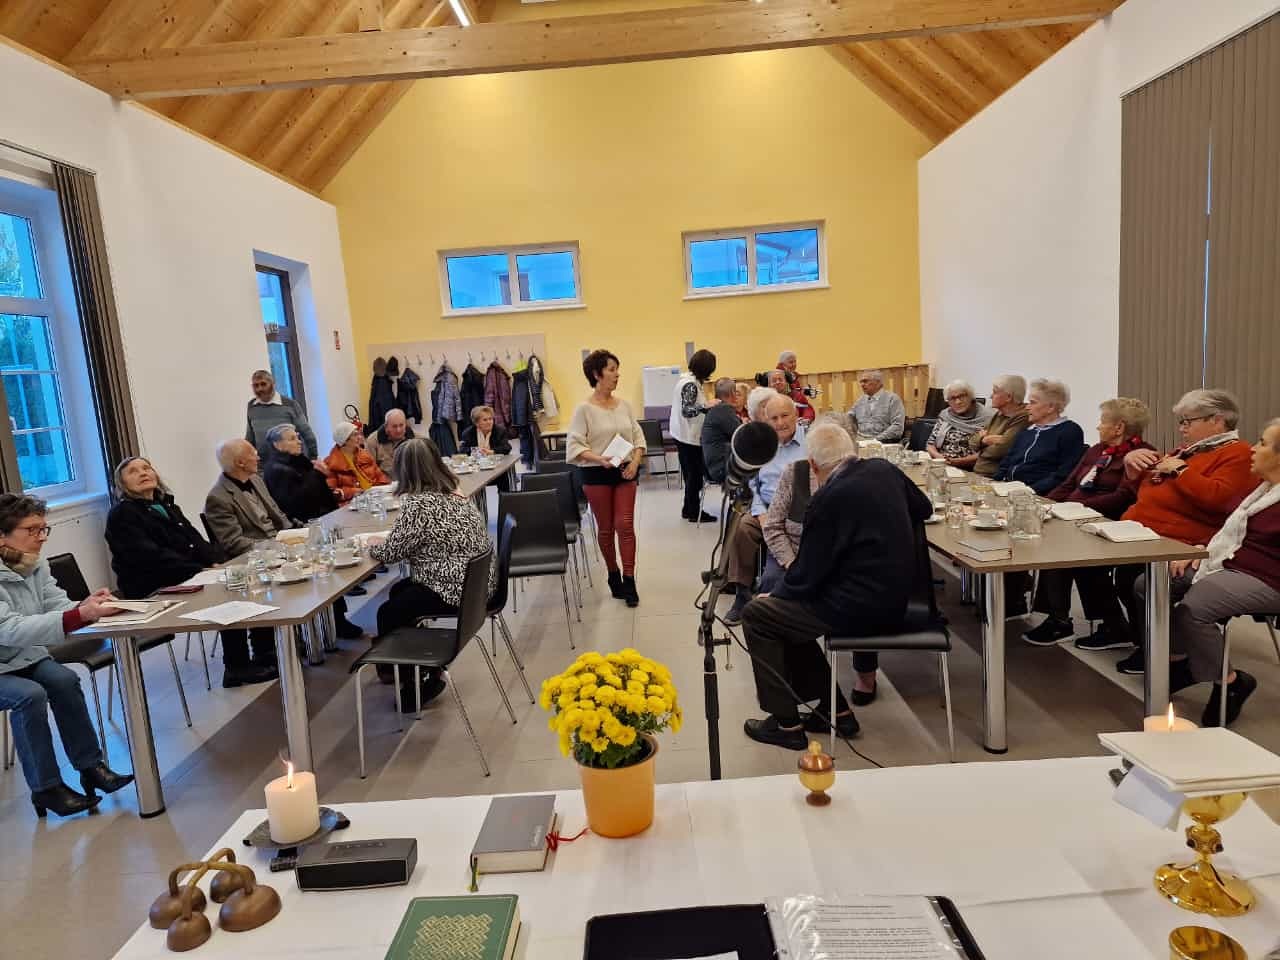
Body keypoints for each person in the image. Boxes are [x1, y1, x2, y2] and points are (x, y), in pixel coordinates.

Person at [741, 424, 934, 749]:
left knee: (758, 615)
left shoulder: (827, 499)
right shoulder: (884, 469)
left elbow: (807, 574)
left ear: (813, 465)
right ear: (852, 451)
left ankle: (787, 725)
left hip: (860, 606)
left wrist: (776, 595)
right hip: (901, 595)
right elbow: (924, 508)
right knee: (782, 617)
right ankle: (836, 711)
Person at [1086, 389, 1255, 672]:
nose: (1182, 428)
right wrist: (1133, 468)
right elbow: (1151, 486)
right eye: (1181, 422)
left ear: (1217, 420)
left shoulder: (1237, 453)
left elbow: (1219, 500)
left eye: (1188, 421)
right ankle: (1127, 632)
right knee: (1088, 561)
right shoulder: (1188, 451)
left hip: (1179, 539)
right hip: (1141, 531)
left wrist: (1181, 471)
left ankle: (1157, 649)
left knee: (1135, 579)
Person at [0, 494, 134, 818]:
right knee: (30, 695)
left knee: (65, 680)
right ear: (2, 535)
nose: (41, 537)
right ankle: (46, 788)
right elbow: (8, 629)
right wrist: (77, 616)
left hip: (23, 657)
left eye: (43, 529)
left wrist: (87, 606)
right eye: (32, 530)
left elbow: (57, 606)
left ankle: (91, 767)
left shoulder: (34, 564)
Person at [105, 456, 280, 689]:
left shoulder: (167, 505)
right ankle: (236, 667)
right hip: (152, 586)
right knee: (227, 592)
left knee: (244, 578)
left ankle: (265, 651)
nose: (143, 473)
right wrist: (198, 569)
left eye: (146, 468)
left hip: (185, 574)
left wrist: (217, 562)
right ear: (122, 484)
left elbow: (195, 541)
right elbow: (150, 556)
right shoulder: (122, 514)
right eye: (133, 471)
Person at [1151, 418, 1280, 726]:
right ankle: (1181, 661)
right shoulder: (1263, 490)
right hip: (1229, 563)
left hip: (1268, 578)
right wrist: (1201, 549)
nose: (1253, 449)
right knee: (1153, 583)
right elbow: (1231, 533)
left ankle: (1231, 683)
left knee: (1195, 607)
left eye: (1262, 443)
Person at [365, 439, 496, 711]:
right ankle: (406, 664)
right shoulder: (454, 493)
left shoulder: (418, 505)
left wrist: (371, 545)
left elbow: (391, 553)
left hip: (453, 587)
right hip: (476, 582)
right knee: (399, 592)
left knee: (388, 613)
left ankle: (418, 679)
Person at [205, 439, 364, 652]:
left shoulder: (256, 480)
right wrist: (276, 547)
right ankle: (273, 646)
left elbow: (278, 515)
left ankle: (336, 621)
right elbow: (234, 543)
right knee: (311, 562)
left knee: (324, 557)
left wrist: (299, 532)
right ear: (240, 462)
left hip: (279, 545)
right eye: (253, 453)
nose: (258, 457)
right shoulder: (218, 498)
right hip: (257, 558)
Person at [1020, 398, 1155, 646]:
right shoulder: (1096, 450)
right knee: (1049, 540)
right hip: (1074, 515)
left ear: (1119, 427)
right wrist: (1046, 505)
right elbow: (1069, 483)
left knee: (1068, 550)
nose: (1098, 426)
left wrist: (1080, 508)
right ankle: (1060, 618)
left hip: (1109, 521)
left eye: (1103, 421)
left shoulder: (1141, 455)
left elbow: (1124, 496)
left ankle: (1091, 623)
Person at [566, 350, 646, 607]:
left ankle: (629, 579)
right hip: (596, 473)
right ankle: (613, 573)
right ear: (596, 374)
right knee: (606, 528)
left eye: (617, 369)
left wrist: (635, 461)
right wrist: (599, 458)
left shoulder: (624, 406)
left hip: (625, 471)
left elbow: (638, 437)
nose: (617, 374)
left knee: (625, 524)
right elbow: (575, 446)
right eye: (611, 369)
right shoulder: (584, 409)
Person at [724, 394, 806, 626]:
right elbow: (752, 484)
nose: (780, 423)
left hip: (798, 511)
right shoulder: (761, 445)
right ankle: (742, 592)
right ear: (766, 420)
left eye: (784, 416)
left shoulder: (810, 443)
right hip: (766, 507)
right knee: (740, 528)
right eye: (774, 418)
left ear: (796, 415)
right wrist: (760, 512)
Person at [993, 378, 1086, 494]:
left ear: (1051, 407)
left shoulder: (1070, 431)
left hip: (1038, 494)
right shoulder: (1029, 430)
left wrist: (1030, 490)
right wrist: (996, 482)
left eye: (1033, 402)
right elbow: (1007, 460)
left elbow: (1063, 474)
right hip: (1008, 488)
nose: (1027, 407)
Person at [670, 349, 719, 524]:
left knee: (690, 475)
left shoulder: (688, 381)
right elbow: (687, 411)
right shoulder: (690, 384)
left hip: (683, 435)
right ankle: (694, 512)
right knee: (694, 476)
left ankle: (688, 509)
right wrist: (707, 406)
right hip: (687, 438)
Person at [263, 424, 340, 522]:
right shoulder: (276, 470)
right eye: (292, 439)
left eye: (297, 437)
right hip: (305, 523)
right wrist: (319, 473)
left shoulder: (298, 460)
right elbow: (299, 503)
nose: (299, 442)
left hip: (324, 517)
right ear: (277, 445)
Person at [245, 369, 318, 460]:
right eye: (256, 385)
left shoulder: (290, 405)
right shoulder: (252, 406)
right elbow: (250, 438)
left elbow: (307, 433)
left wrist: (313, 458)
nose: (260, 389)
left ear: (273, 383)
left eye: (263, 384)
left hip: (291, 462)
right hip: (264, 464)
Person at [966, 375, 1029, 475]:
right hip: (978, 472)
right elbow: (972, 442)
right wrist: (984, 440)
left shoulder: (1023, 417)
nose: (991, 396)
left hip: (995, 476)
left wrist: (981, 447)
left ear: (1008, 397)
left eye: (995, 392)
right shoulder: (999, 413)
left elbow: (1000, 450)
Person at [926, 380, 994, 461]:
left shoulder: (988, 417)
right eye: (952, 398)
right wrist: (940, 458)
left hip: (971, 466)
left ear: (971, 396)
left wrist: (960, 461)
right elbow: (930, 444)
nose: (958, 402)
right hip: (942, 462)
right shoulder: (945, 415)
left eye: (962, 396)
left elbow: (988, 452)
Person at [324, 421, 389, 503]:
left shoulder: (365, 455)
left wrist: (384, 488)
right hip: (352, 503)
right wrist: (352, 492)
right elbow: (332, 493)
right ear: (345, 440)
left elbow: (380, 476)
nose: (360, 437)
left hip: (375, 497)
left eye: (359, 434)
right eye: (355, 435)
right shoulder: (330, 463)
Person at [459, 405, 513, 491]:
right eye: (485, 420)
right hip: (476, 469)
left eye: (490, 419)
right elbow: (462, 450)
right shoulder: (468, 433)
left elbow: (507, 448)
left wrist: (492, 451)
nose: (489, 422)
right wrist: (476, 451)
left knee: (503, 476)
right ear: (476, 423)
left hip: (496, 468)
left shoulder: (500, 430)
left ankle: (505, 498)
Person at [702, 378, 743, 485]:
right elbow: (741, 436)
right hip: (721, 468)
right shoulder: (723, 410)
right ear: (732, 393)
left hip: (715, 466)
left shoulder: (716, 410)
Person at [850, 369, 906, 443]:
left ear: (878, 382)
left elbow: (897, 427)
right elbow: (848, 418)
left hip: (883, 442)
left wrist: (875, 440)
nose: (862, 384)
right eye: (861, 382)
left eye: (865, 381)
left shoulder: (892, 399)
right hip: (860, 442)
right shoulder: (860, 401)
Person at [366, 409, 414, 477]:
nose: (398, 430)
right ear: (386, 427)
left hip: (408, 481)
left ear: (406, 424)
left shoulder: (416, 440)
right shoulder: (372, 441)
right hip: (383, 482)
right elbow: (369, 471)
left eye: (401, 425)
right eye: (394, 426)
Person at [776, 351, 815, 422]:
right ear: (783, 364)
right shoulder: (779, 377)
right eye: (791, 362)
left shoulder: (792, 375)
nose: (794, 364)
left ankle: (805, 421)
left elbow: (797, 391)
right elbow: (789, 393)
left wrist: (805, 391)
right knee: (807, 409)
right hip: (786, 406)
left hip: (796, 404)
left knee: (808, 410)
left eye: (795, 362)